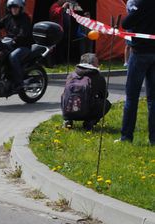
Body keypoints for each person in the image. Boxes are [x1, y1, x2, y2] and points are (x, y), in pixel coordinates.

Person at [118, 0, 155, 145]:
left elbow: (126, 23)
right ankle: (153, 139)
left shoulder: (140, 3)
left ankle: (126, 136)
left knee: (132, 97)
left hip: (140, 52)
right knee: (153, 99)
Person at [0, 0, 32, 93]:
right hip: (10, 43)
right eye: (12, 7)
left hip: (23, 46)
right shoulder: (8, 18)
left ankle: (19, 83)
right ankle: (1, 77)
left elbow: (23, 33)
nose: (14, 9)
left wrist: (15, 40)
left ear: (20, 8)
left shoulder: (25, 18)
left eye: (16, 7)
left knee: (13, 57)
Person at [61, 53, 111, 131]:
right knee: (106, 103)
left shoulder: (71, 75)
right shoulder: (97, 76)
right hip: (85, 112)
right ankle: (90, 122)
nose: (98, 65)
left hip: (69, 110)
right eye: (97, 63)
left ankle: (67, 120)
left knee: (64, 96)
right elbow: (104, 95)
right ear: (92, 64)